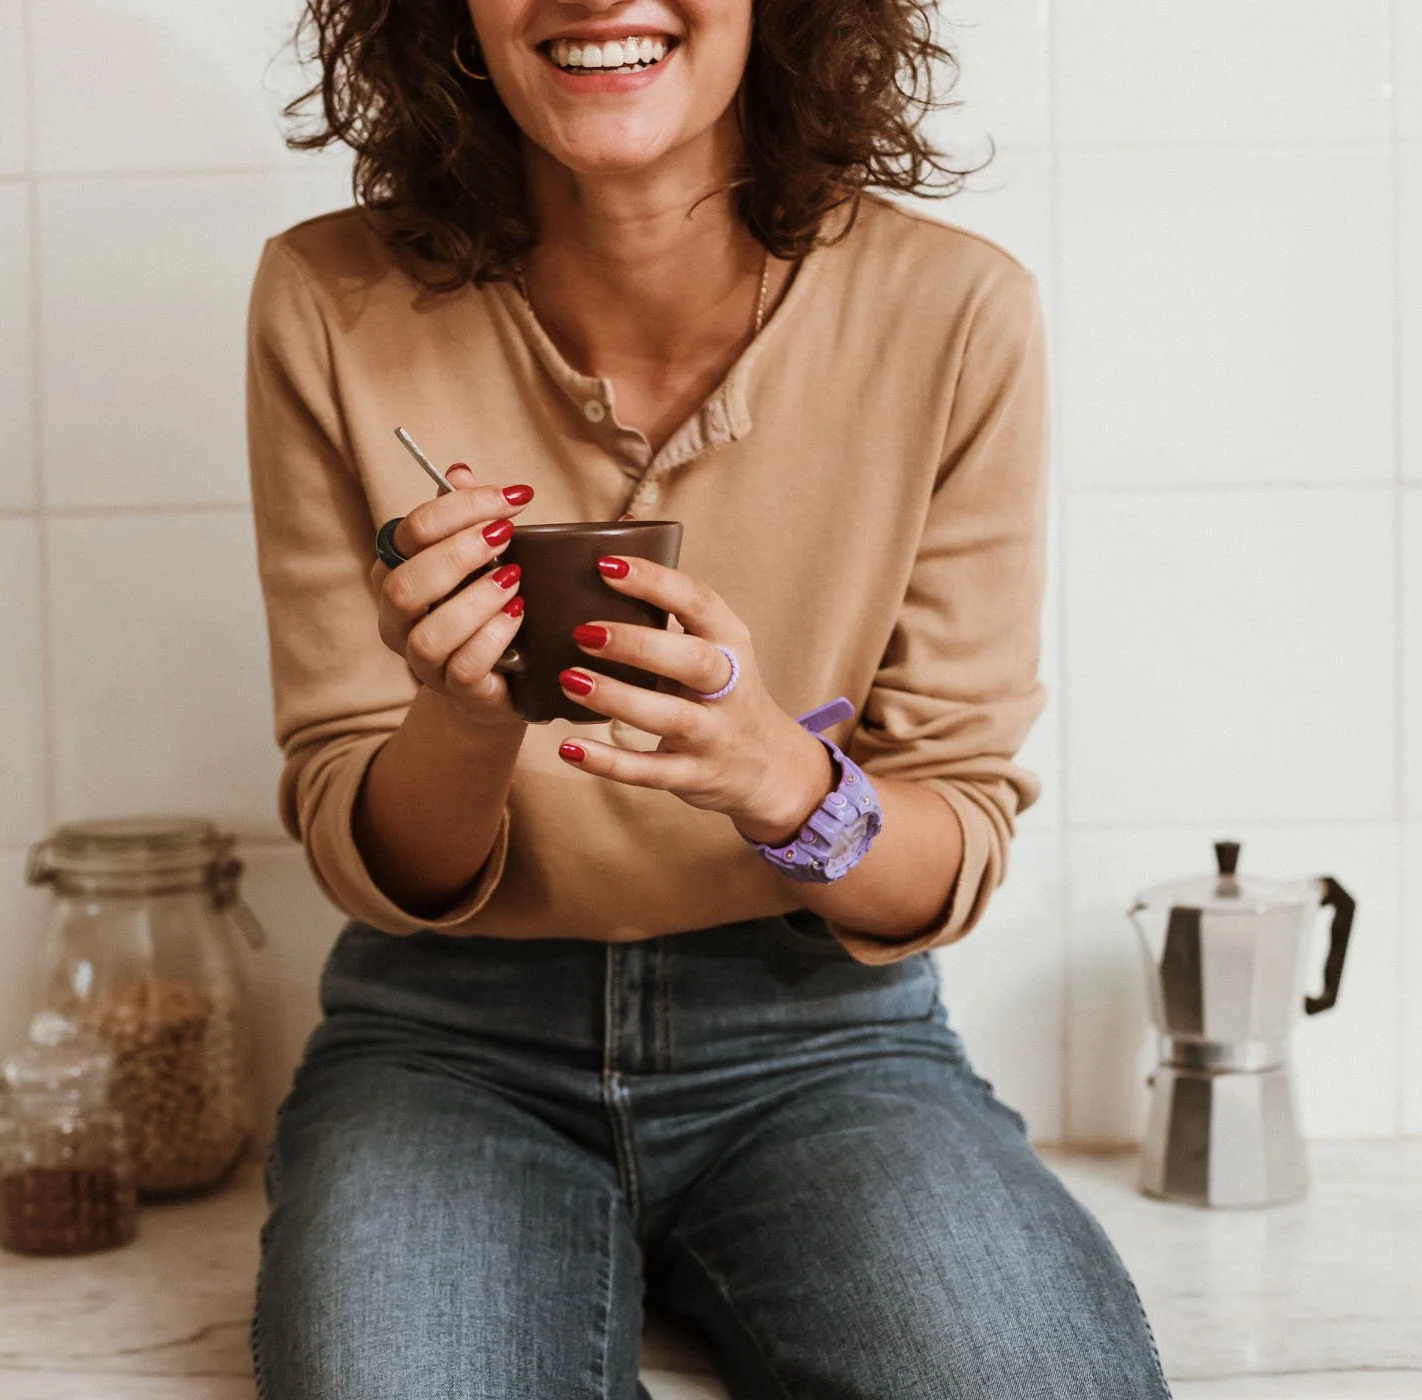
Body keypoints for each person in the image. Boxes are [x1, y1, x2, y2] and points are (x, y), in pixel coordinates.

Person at [244, 1, 1170, 1395]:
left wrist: (778, 781)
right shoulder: (328, 299)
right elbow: (359, 844)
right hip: (449, 1043)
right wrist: (463, 715)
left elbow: (952, 842)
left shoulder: (955, 313)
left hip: (821, 1043)